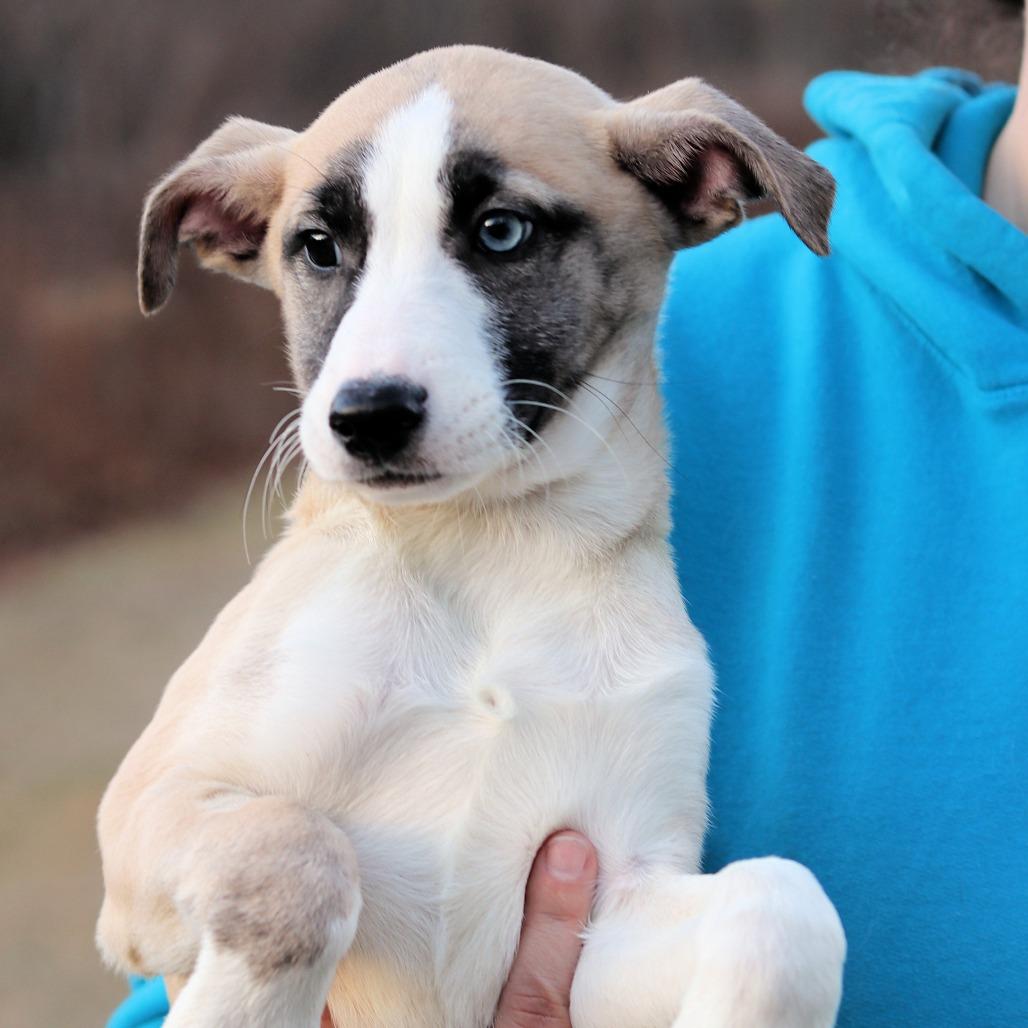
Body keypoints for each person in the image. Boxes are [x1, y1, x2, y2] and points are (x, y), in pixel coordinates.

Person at [109, 1, 1027, 1023]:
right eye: (323, 246)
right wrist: (276, 905)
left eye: (502, 231)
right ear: (235, 233)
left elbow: (614, 946)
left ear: (701, 181)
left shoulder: (650, 634)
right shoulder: (331, 595)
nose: (374, 376)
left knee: (774, 916)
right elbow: (147, 917)